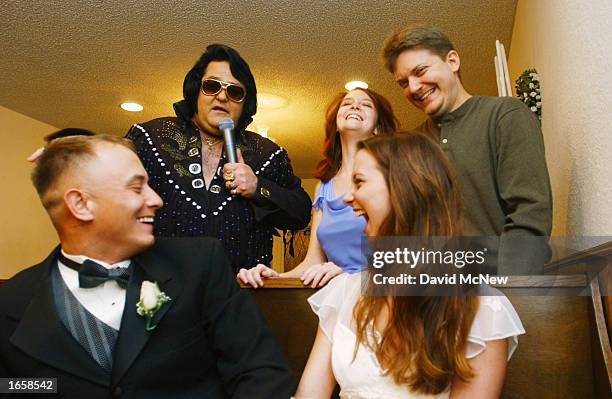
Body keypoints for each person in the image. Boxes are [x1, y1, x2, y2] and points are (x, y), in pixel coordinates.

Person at [0, 135, 292, 398]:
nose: (157, 200)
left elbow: (259, 372)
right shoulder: (12, 303)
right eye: (137, 188)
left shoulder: (200, 264)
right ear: (80, 204)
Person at [295, 133, 525, 398]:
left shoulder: (482, 309)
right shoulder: (344, 291)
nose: (348, 198)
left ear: (405, 189)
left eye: (359, 182)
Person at [381, 26, 552, 274]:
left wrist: (508, 292)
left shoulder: (505, 115)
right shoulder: (411, 144)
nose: (414, 87)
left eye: (420, 71)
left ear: (452, 61)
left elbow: (529, 215)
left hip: (498, 295)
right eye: (403, 82)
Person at [126, 44, 311, 273]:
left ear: (245, 104)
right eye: (211, 86)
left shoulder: (268, 154)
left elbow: (301, 213)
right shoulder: (150, 138)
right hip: (159, 294)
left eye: (234, 91)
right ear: (196, 91)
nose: (222, 96)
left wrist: (258, 187)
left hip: (240, 296)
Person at [237, 88, 398, 288]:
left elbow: (411, 256)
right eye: (347, 103)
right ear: (336, 125)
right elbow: (313, 262)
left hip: (381, 297)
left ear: (378, 128)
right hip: (336, 301)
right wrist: (272, 277)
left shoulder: (391, 177)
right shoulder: (324, 186)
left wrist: (348, 273)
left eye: (366, 104)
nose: (355, 106)